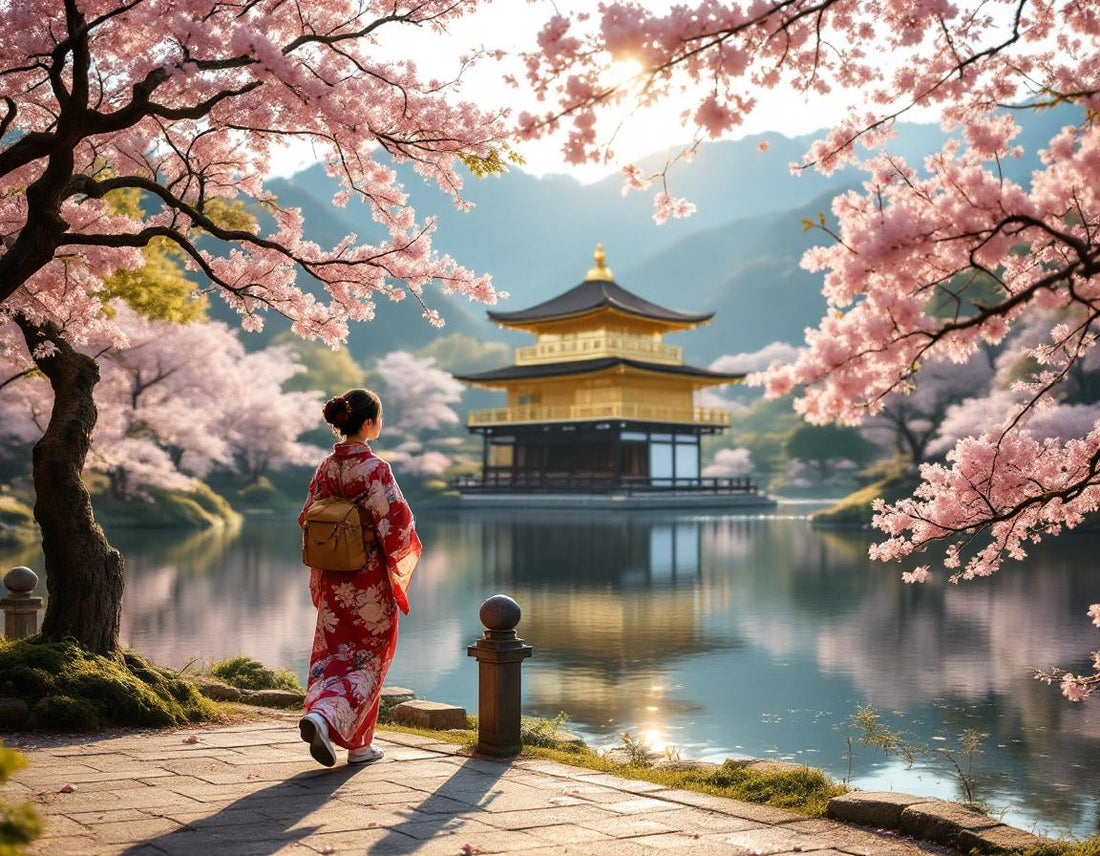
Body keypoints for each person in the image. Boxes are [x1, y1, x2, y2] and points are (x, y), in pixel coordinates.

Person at [297, 388, 422, 767]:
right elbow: (397, 524)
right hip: (367, 583)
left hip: (336, 581)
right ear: (368, 424)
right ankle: (330, 720)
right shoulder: (375, 469)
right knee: (368, 659)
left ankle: (347, 736)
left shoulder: (325, 468)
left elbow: (307, 518)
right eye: (379, 418)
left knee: (335, 656)